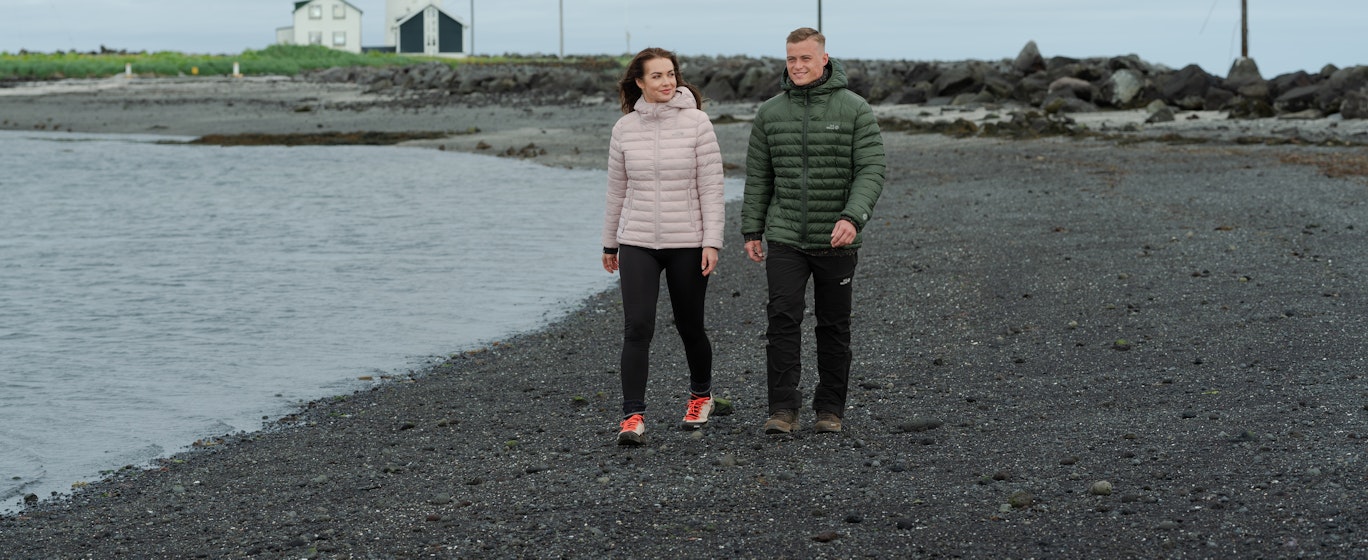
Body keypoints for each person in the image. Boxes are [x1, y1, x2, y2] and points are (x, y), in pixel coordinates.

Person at [741, 27, 886, 435]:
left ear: (824, 58)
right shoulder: (770, 112)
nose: (798, 66)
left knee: (833, 326)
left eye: (806, 58)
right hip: (785, 235)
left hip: (837, 237)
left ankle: (830, 410)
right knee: (782, 321)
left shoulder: (855, 109)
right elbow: (759, 176)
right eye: (791, 58)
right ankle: (783, 410)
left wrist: (852, 217)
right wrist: (752, 228)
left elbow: (872, 170)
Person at [602, 47, 726, 446]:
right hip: (637, 240)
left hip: (687, 241)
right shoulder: (624, 129)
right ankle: (632, 417)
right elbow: (616, 190)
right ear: (639, 82)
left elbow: (712, 187)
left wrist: (712, 242)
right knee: (637, 327)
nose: (667, 82)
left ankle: (701, 396)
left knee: (690, 325)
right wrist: (609, 243)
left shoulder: (698, 123)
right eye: (656, 76)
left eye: (670, 74)